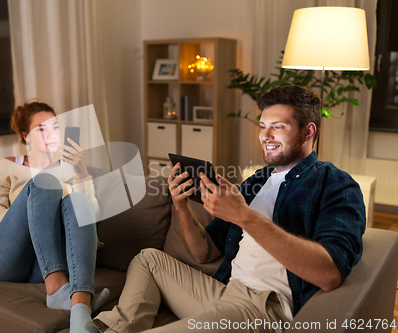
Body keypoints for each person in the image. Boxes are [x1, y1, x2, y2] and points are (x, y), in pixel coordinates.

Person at [93, 85, 365, 332]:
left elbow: (330, 273)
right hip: (224, 292)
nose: (265, 136)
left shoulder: (334, 184)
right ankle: (115, 327)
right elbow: (204, 253)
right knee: (148, 259)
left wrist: (244, 216)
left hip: (265, 309)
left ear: (308, 131)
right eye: (262, 126)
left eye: (278, 127)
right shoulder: (256, 182)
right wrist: (181, 205)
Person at [0, 101, 109, 333]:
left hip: (44, 263)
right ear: (26, 136)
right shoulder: (8, 167)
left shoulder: (69, 168)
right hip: (4, 257)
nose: (51, 134)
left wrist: (81, 173)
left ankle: (80, 308)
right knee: (44, 184)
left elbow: (92, 217)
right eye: (41, 128)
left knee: (77, 201)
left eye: (55, 127)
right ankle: (59, 289)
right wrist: (38, 220)